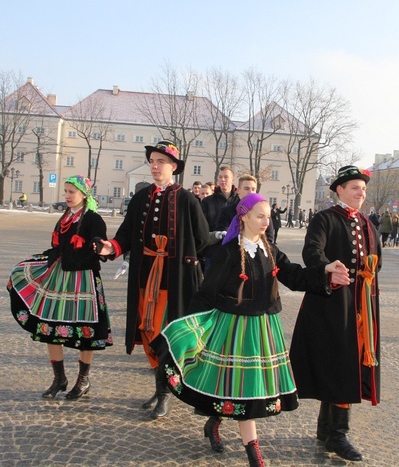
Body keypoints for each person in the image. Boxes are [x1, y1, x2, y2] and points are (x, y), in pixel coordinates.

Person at [151, 193, 350, 466]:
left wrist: (325, 271)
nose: (265, 221)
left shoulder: (270, 248)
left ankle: (214, 423)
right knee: (241, 389)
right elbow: (206, 293)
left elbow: (293, 275)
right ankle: (253, 452)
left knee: (238, 386)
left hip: (263, 328)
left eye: (268, 216)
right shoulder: (228, 251)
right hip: (232, 328)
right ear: (243, 216)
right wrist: (190, 328)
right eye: (260, 215)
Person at [95, 140, 210, 419]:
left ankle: (163, 394)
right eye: (152, 161)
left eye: (161, 161)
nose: (155, 166)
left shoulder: (187, 199)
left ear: (173, 167)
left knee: (164, 334)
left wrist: (186, 259)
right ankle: (162, 387)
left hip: (175, 279)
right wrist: (111, 247)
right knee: (147, 332)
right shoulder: (140, 197)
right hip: (145, 275)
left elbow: (203, 239)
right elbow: (124, 235)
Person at [289, 165, 381, 462]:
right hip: (331, 306)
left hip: (360, 308)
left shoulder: (367, 222)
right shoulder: (325, 218)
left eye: (363, 189)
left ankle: (328, 428)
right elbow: (313, 252)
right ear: (339, 190)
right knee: (339, 365)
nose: (360, 192)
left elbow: (376, 259)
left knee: (346, 363)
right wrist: (328, 268)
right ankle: (338, 433)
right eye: (355, 187)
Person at [8, 175, 112, 399]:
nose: (67, 196)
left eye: (71, 192)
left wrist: (98, 245)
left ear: (84, 194)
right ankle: (59, 379)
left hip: (83, 279)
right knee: (50, 327)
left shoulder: (93, 218)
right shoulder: (65, 217)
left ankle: (83, 381)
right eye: (65, 191)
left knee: (87, 331)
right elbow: (57, 245)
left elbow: (100, 243)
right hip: (59, 277)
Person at [216, 174, 274, 244]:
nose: (250, 192)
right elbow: (223, 235)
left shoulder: (263, 210)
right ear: (238, 191)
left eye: (253, 189)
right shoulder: (227, 211)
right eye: (246, 189)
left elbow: (269, 237)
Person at [201, 165, 239, 271]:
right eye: (220, 177)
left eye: (226, 177)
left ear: (233, 180)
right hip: (213, 253)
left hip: (234, 253)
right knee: (210, 286)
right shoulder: (207, 201)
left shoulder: (239, 202)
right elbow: (202, 226)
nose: (222, 180)